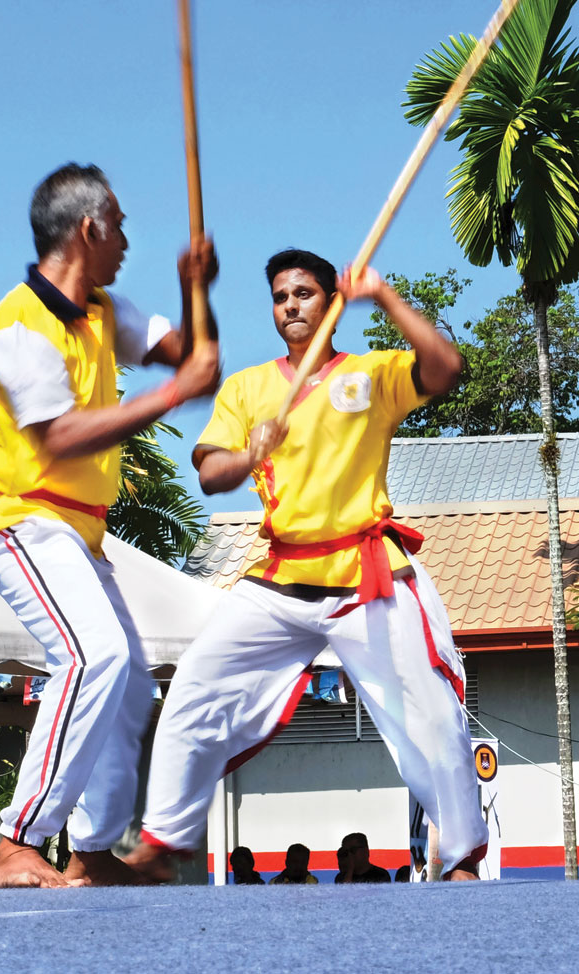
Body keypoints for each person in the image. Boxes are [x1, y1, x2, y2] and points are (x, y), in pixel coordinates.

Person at [126, 247, 488, 883]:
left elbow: (446, 367)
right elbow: (212, 473)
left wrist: (385, 297)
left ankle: (459, 858)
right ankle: (162, 842)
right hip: (282, 575)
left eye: (305, 294)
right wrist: (250, 454)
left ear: (333, 304)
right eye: (280, 297)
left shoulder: (371, 374)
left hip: (367, 572)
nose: (291, 306)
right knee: (194, 684)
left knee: (430, 709)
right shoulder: (249, 388)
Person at [0, 163, 219, 888]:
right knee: (93, 657)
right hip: (22, 521)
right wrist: (175, 391)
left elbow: (194, 357)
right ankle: (17, 842)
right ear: (89, 228)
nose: (126, 240)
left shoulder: (106, 310)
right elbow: (61, 436)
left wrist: (194, 286)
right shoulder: (19, 324)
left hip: (78, 535)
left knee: (131, 684)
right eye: (119, 224)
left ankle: (91, 852)